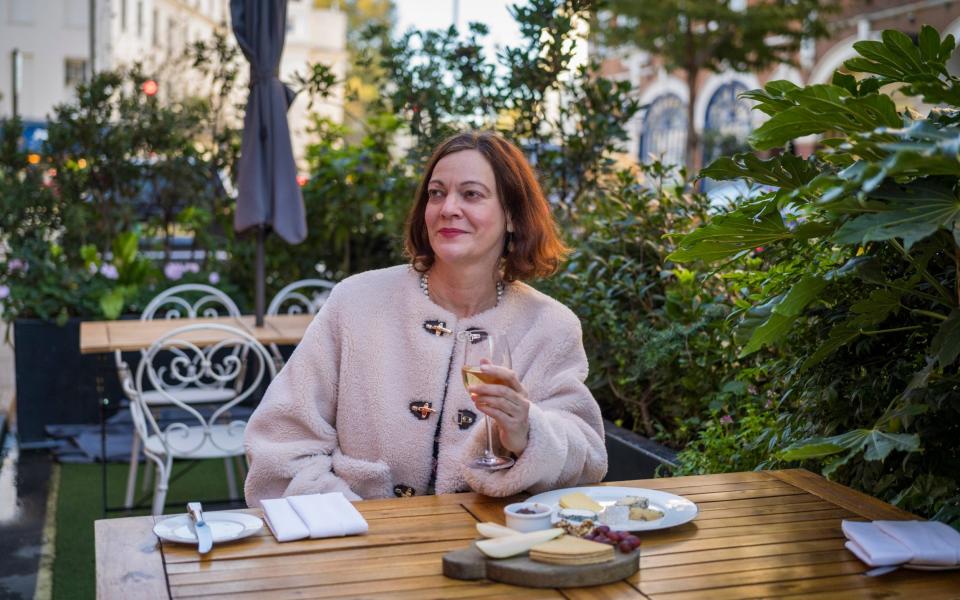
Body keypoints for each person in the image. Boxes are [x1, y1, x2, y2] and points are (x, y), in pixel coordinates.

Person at [244, 131, 607, 505]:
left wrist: (527, 432)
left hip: (489, 548)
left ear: (512, 216)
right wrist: (352, 519)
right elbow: (281, 442)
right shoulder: (355, 303)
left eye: (471, 194)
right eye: (437, 193)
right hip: (360, 543)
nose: (448, 207)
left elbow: (588, 459)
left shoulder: (550, 326)